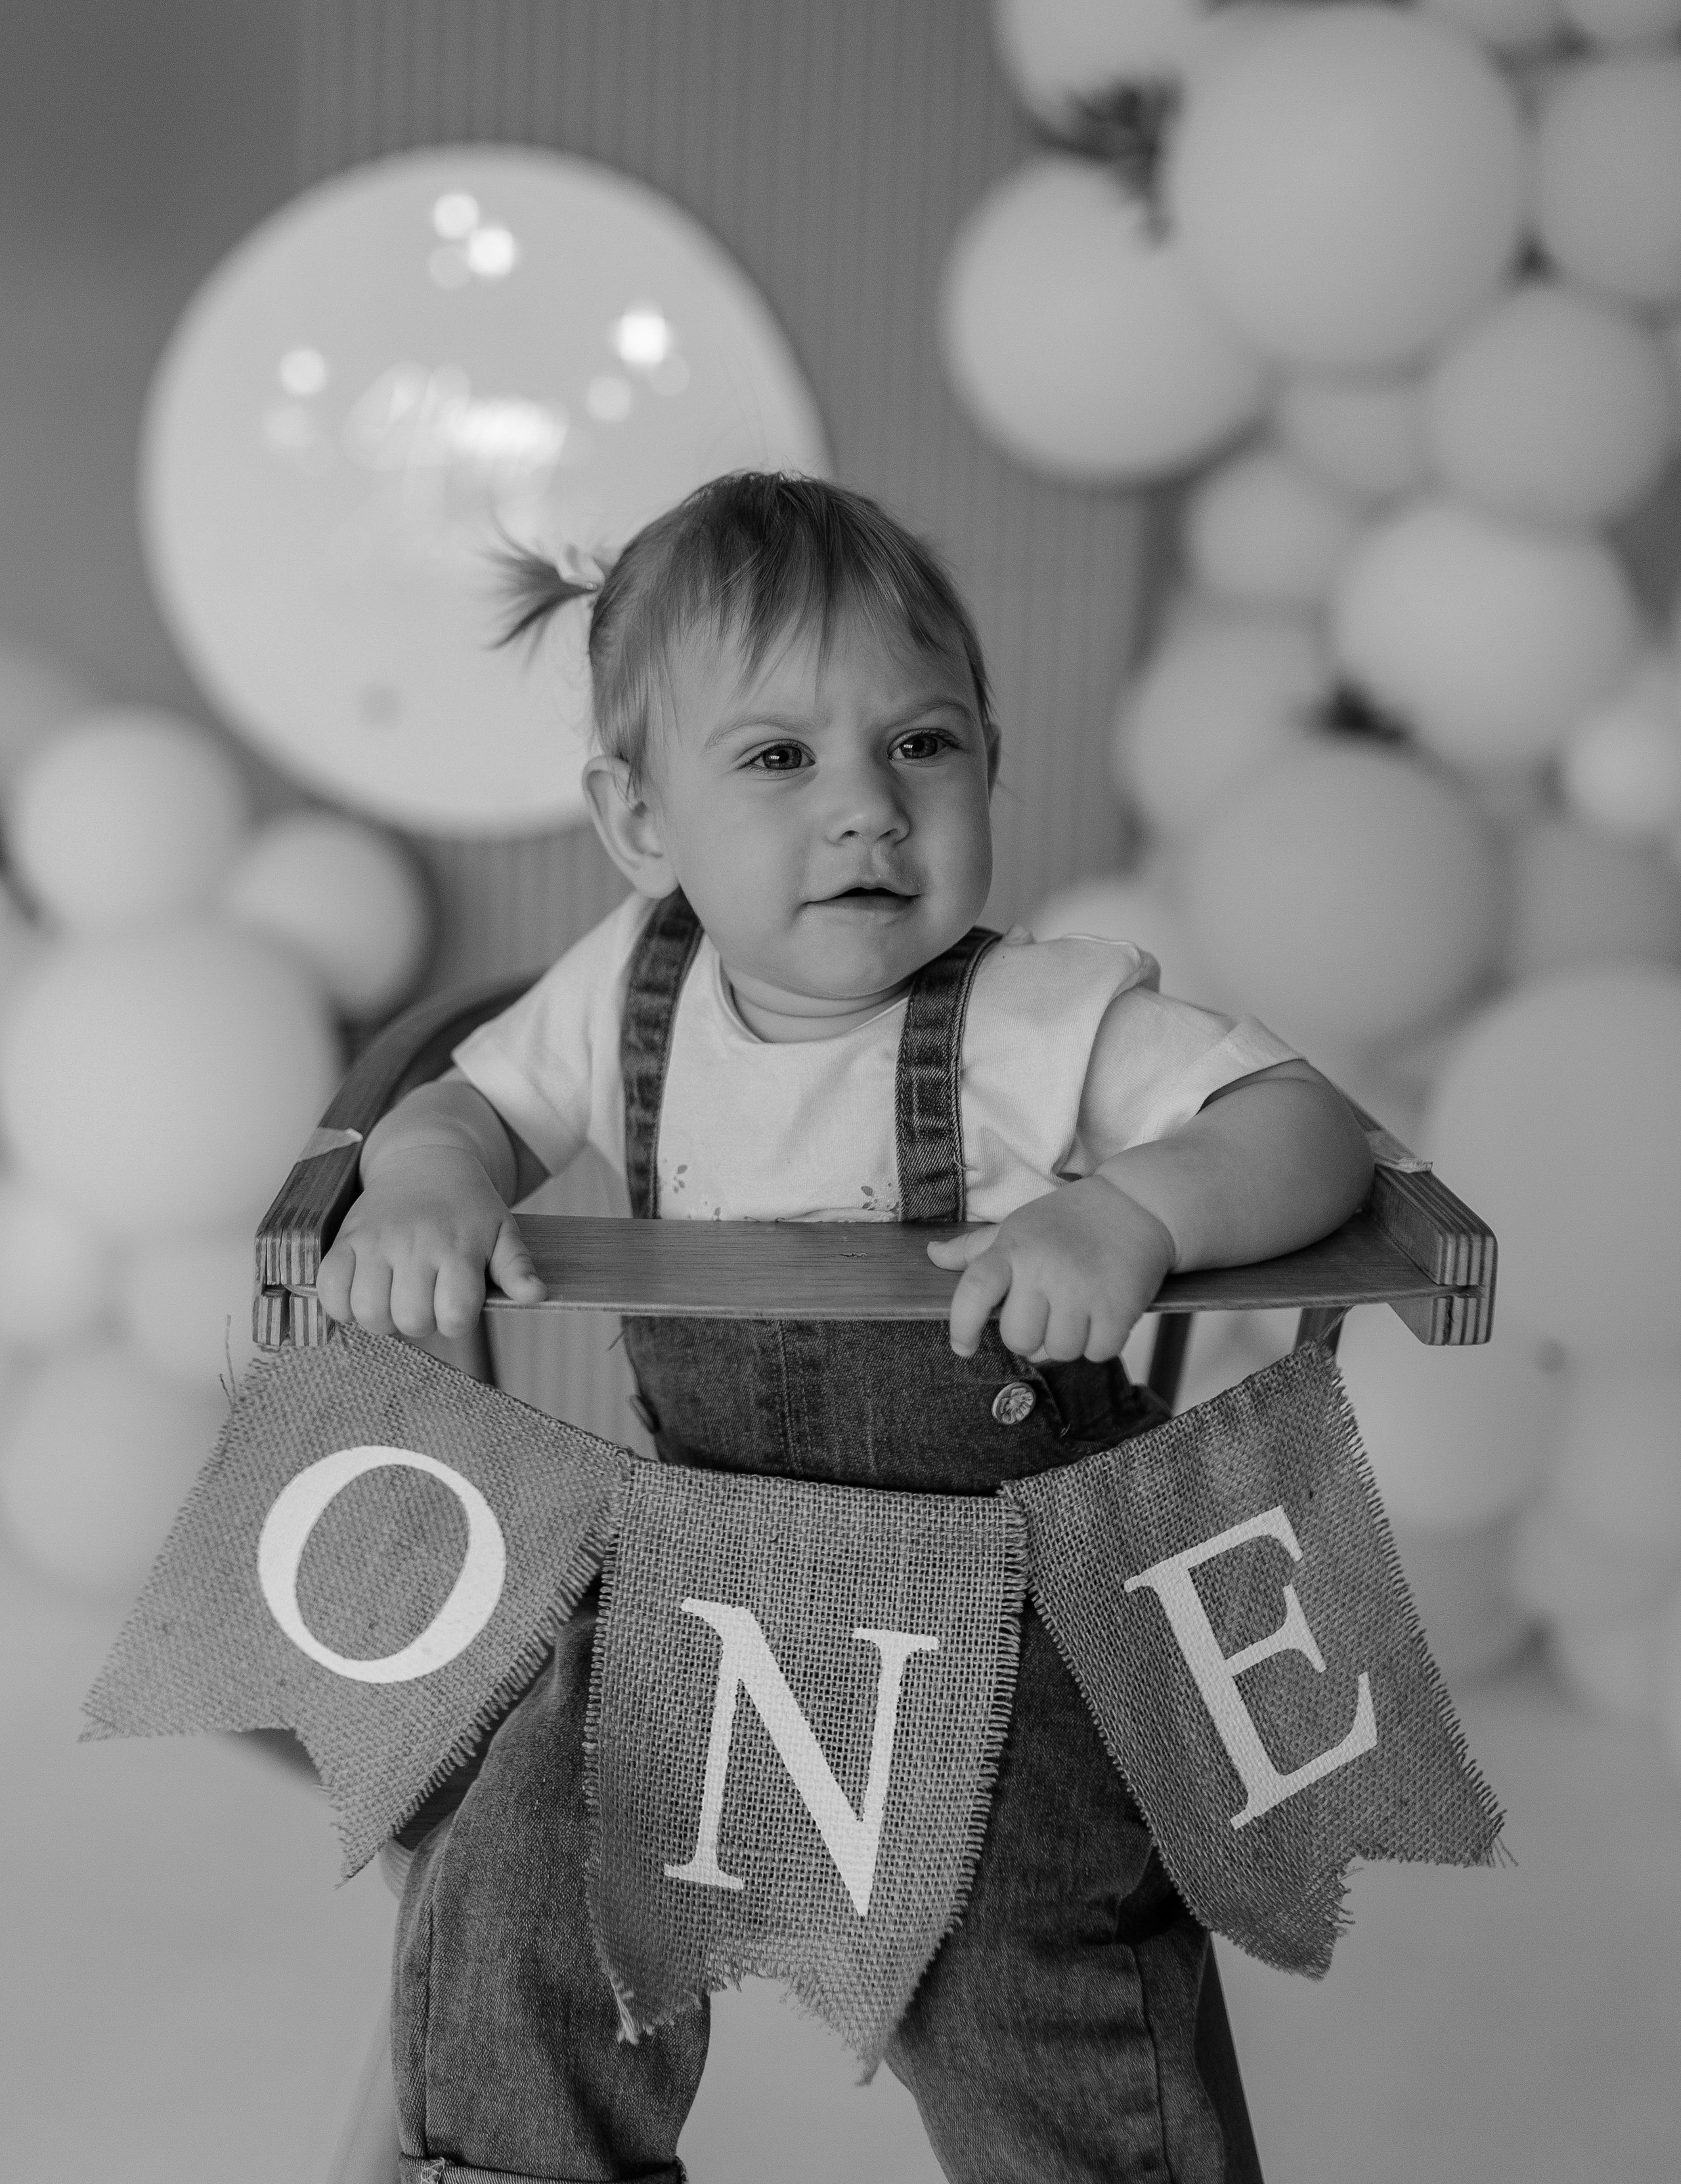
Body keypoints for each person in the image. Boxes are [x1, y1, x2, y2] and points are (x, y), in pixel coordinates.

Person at [318, 470, 1372, 2184]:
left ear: (988, 767)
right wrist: (432, 1180)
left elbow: (1306, 1129)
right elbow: (467, 1107)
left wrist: (1136, 1209)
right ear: (640, 818)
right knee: (525, 1869)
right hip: (698, 1588)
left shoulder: (1040, 1018)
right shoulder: (628, 988)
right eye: (779, 758)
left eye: (924, 746)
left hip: (1011, 1621)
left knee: (1031, 1958)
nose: (869, 809)